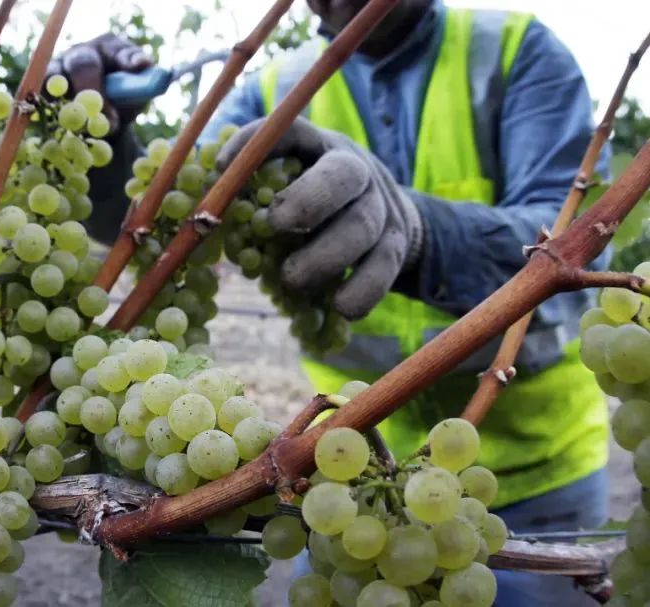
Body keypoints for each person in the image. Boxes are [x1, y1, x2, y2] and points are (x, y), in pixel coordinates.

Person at [50, 1, 611, 604]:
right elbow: (172, 224)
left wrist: (422, 233)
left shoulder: (513, 50)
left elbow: (573, 246)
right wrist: (105, 145)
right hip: (343, 478)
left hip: (531, 480)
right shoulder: (271, 91)